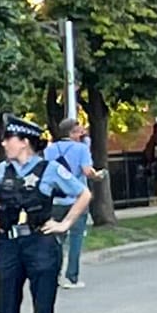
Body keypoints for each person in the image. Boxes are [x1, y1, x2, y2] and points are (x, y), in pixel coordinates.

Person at [0, 117, 89, 313]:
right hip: (8, 243)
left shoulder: (49, 169)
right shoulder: (2, 170)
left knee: (42, 308)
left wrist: (64, 224)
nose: (5, 143)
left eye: (10, 139)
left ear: (25, 142)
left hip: (39, 242)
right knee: (5, 307)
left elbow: (83, 194)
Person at [47, 117, 100, 288]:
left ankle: (53, 275)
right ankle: (71, 276)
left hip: (55, 200)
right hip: (77, 199)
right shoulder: (81, 149)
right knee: (76, 238)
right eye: (79, 131)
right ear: (71, 133)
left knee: (56, 239)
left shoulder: (51, 149)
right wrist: (96, 175)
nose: (82, 133)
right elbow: (86, 170)